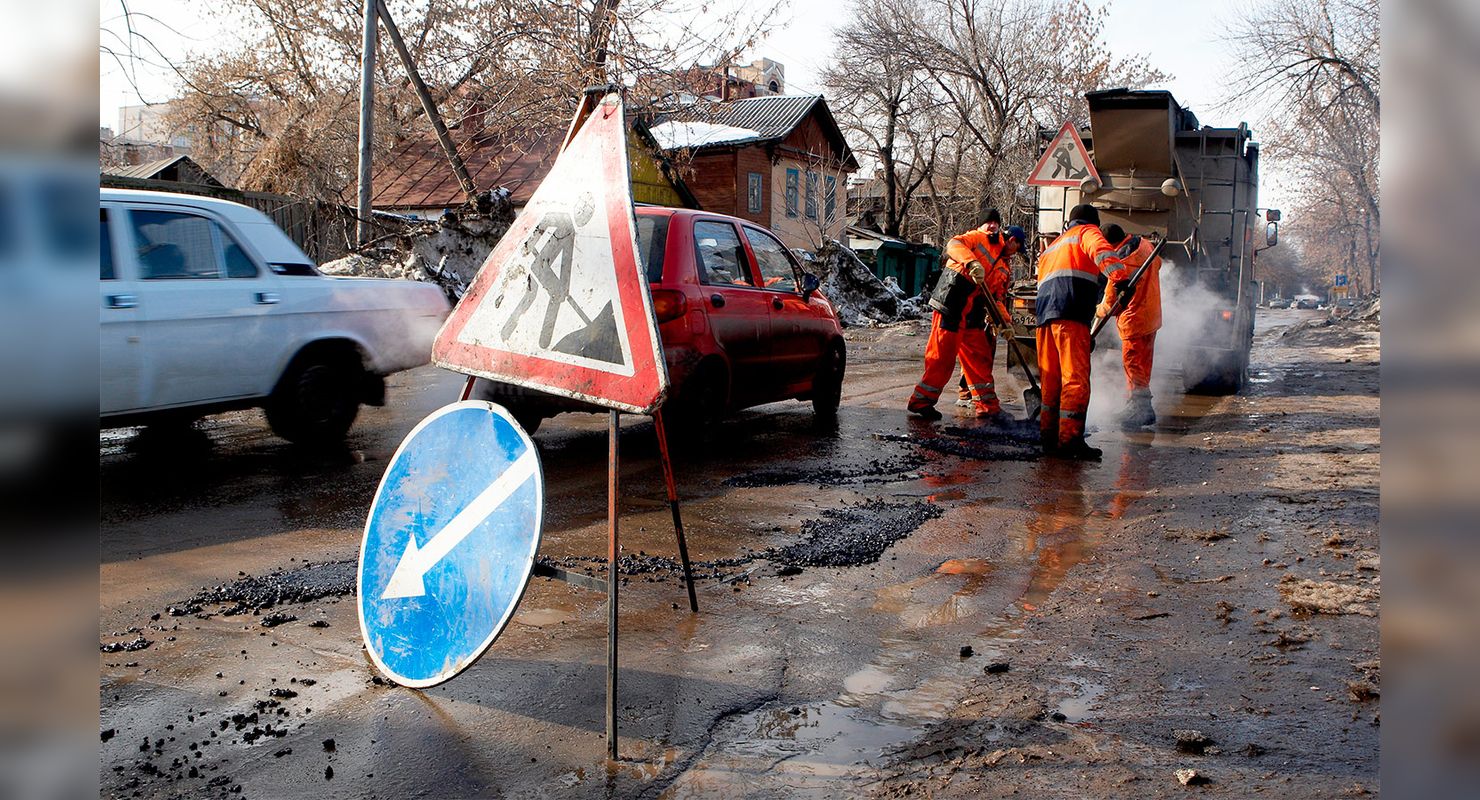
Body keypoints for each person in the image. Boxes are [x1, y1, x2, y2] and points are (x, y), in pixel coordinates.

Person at [908, 212, 1023, 420]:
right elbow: (953, 245)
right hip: (952, 300)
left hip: (972, 308)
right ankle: (921, 401)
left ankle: (988, 406)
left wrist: (1005, 322)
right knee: (942, 355)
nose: (1016, 253)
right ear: (1013, 241)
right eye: (1018, 248)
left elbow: (997, 298)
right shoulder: (980, 238)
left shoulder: (1004, 267)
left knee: (980, 356)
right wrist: (971, 263)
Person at [1034, 203, 1125, 459]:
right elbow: (1103, 253)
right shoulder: (1087, 232)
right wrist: (1121, 278)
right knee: (1075, 379)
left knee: (1051, 380)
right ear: (1092, 222)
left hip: (1044, 318)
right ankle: (1071, 441)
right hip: (1070, 313)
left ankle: (1048, 436)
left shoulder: (1053, 246)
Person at [1095, 224, 1162, 428]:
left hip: (1133, 321)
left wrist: (1096, 311)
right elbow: (1158, 264)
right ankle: (1138, 405)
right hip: (1152, 315)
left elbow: (1111, 305)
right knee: (1144, 364)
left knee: (1133, 364)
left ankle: (1140, 409)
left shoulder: (1120, 263)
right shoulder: (1144, 245)